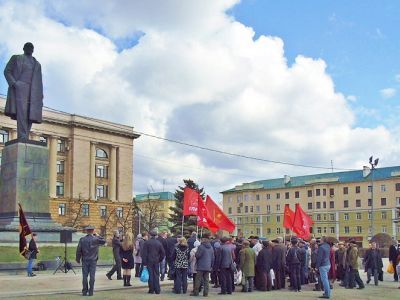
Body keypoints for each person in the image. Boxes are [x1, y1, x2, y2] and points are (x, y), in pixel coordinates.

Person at [3, 42, 43, 141]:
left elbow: (39, 81)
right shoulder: (16, 58)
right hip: (20, 87)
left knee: (31, 113)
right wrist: (14, 83)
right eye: (27, 47)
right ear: (24, 48)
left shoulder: (37, 64)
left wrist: (40, 96)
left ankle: (25, 134)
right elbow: (7, 71)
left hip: (33, 91)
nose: (29, 49)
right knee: (22, 112)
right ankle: (22, 136)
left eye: (31, 47)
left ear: (33, 50)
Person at [76, 225, 106, 297]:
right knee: (92, 276)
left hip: (85, 259)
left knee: (84, 276)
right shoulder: (96, 239)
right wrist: (98, 236)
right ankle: (91, 291)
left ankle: (84, 291)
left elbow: (78, 250)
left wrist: (78, 258)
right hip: (93, 260)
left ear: (86, 231)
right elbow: (104, 241)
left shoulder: (82, 239)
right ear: (93, 231)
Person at [141, 230, 166, 294]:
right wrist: (159, 259)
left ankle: (151, 289)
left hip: (149, 261)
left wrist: (144, 263)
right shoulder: (158, 243)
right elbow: (163, 253)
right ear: (156, 235)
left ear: (150, 235)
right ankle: (157, 290)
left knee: (150, 275)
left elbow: (144, 254)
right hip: (156, 261)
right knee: (156, 275)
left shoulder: (147, 243)